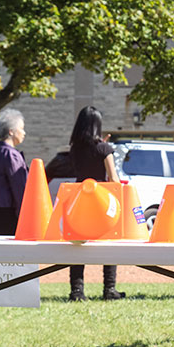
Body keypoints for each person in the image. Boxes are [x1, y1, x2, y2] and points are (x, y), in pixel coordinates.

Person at [67, 106, 126, 301]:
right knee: (109, 243)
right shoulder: (104, 149)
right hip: (101, 202)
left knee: (78, 245)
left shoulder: (74, 149)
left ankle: (77, 290)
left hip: (79, 201)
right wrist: (105, 148)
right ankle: (109, 289)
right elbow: (114, 179)